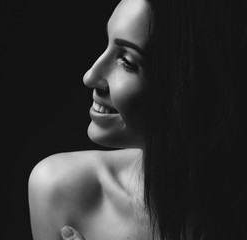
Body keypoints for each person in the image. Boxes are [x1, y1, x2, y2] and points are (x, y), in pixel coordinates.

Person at [28, 0, 247, 239]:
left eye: (127, 61)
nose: (90, 76)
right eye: (108, 44)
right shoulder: (62, 189)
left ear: (197, 85)